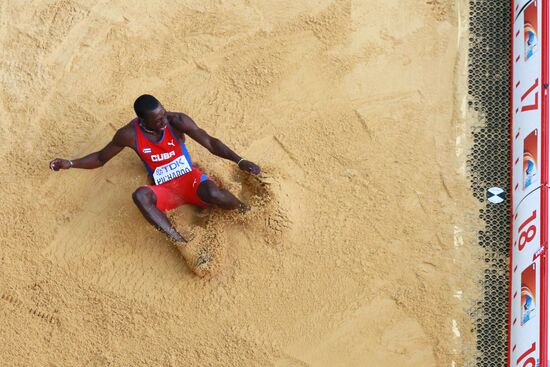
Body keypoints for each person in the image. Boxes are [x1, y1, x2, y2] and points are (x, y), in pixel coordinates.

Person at [49, 94, 260, 272]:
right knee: (140, 196)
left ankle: (247, 211)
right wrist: (70, 163)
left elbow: (211, 143)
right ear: (141, 121)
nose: (163, 122)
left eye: (163, 114)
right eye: (157, 120)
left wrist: (240, 160)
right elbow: (100, 158)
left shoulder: (176, 121)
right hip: (166, 189)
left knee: (215, 194)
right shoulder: (128, 135)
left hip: (190, 179)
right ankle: (184, 245)